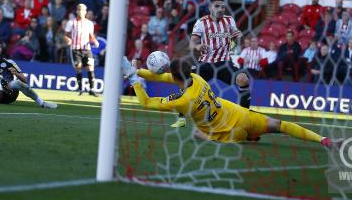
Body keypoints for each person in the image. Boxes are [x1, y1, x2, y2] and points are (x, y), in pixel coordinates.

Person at [122, 56, 339, 146]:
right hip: (240, 115)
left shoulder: (182, 102)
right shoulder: (197, 78)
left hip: (229, 134)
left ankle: (245, 137)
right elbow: (166, 77)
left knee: (199, 133)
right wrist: (139, 70)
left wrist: (135, 79)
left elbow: (147, 103)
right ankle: (323, 140)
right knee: (280, 125)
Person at [171, 0, 251, 129]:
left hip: (224, 63)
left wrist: (239, 38)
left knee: (243, 79)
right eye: (217, 6)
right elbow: (192, 44)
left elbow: (237, 36)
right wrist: (197, 47)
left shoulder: (229, 20)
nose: (221, 9)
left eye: (223, 6)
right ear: (210, 7)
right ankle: (181, 118)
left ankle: (245, 119)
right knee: (186, 81)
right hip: (205, 63)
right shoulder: (201, 22)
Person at [65, 3, 99, 96]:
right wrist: (68, 39)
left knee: (90, 67)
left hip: (87, 49)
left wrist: (95, 41)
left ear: (85, 12)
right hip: (76, 49)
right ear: (77, 11)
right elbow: (66, 35)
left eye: (82, 10)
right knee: (79, 67)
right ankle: (80, 89)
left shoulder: (89, 23)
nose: (80, 11)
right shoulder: (71, 22)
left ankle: (92, 89)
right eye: (79, 9)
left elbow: (91, 36)